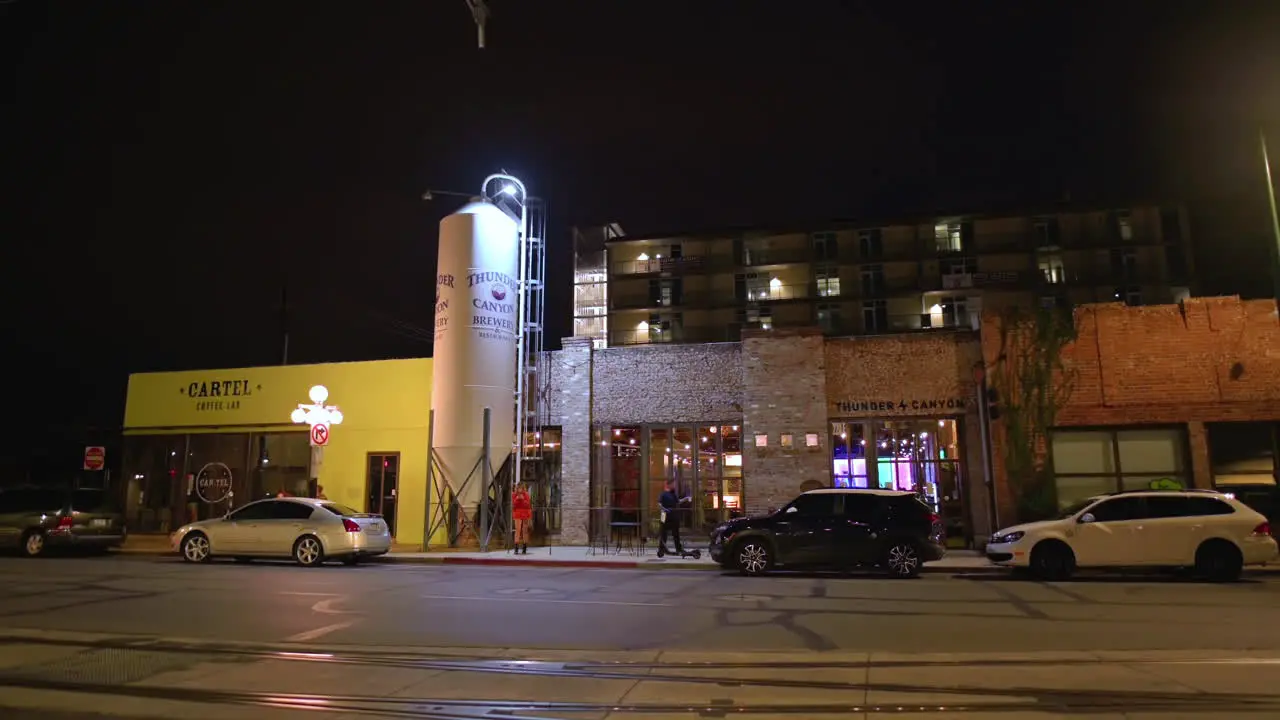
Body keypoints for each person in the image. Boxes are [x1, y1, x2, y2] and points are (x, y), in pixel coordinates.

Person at [657, 479, 691, 557]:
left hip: (673, 515)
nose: (674, 486)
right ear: (668, 485)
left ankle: (678, 549)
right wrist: (664, 509)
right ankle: (662, 549)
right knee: (663, 533)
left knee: (676, 533)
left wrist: (685, 499)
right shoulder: (663, 494)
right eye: (673, 484)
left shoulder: (673, 494)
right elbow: (659, 504)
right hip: (664, 515)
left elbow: (678, 501)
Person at [512, 482, 532, 554]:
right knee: (517, 530)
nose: (520, 489)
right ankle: (516, 548)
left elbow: (528, 505)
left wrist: (523, 499)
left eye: (521, 488)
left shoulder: (526, 494)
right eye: (518, 487)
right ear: (517, 488)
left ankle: (524, 548)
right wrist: (517, 499)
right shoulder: (514, 494)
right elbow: (514, 505)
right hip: (517, 513)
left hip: (525, 514)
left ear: (523, 488)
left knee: (525, 531)